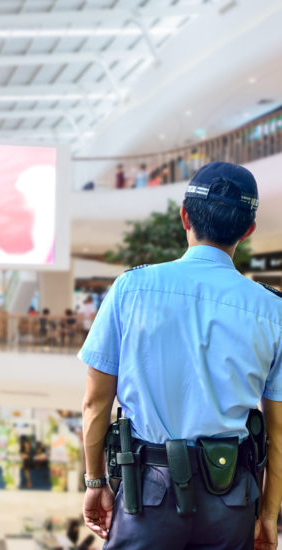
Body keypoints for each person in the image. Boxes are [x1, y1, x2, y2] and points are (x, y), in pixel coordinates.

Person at [79, 162, 282, 549]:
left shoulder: (130, 289)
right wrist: (269, 516)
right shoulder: (273, 311)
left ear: (184, 215)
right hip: (232, 499)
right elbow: (279, 431)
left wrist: (95, 482)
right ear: (248, 230)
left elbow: (95, 402)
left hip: (147, 495)